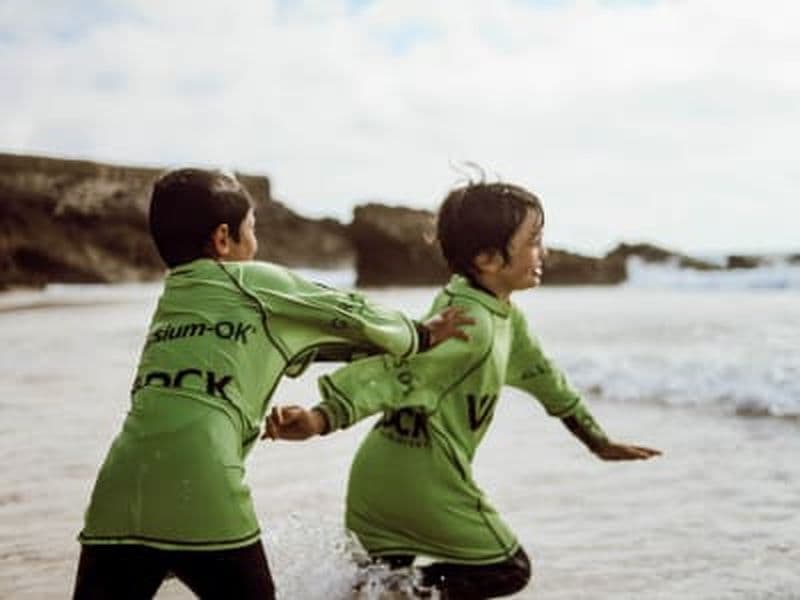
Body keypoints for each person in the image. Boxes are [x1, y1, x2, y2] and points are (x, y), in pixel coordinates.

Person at [72, 168, 472, 600]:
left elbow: (292, 345)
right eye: (253, 230)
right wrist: (422, 335)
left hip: (119, 489)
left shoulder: (173, 301)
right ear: (224, 239)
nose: (256, 243)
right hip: (203, 484)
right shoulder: (255, 282)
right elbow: (353, 311)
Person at [266, 180, 661, 599]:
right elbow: (395, 373)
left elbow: (545, 378)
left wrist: (596, 440)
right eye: (533, 241)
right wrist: (320, 418)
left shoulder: (488, 311)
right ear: (488, 259)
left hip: (380, 478)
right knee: (507, 568)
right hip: (424, 482)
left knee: (371, 589)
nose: (542, 252)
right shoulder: (473, 326)